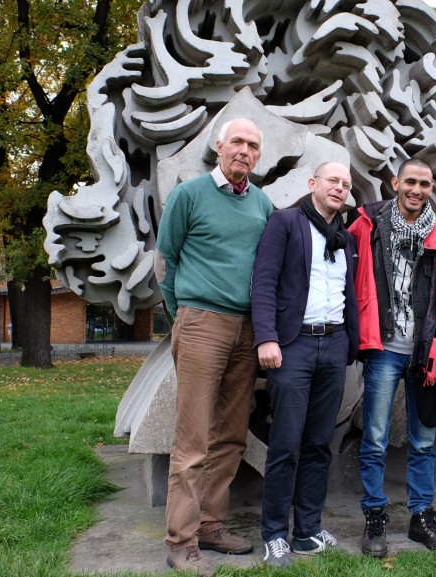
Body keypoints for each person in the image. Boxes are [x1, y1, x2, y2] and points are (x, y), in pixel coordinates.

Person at [156, 118, 274, 576]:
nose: (244, 150)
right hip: (202, 321)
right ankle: (180, 542)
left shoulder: (261, 202)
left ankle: (210, 525)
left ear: (258, 155)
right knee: (192, 440)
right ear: (219, 146)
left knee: (229, 436)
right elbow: (168, 259)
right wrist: (185, 313)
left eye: (253, 145)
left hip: (248, 329)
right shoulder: (189, 195)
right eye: (238, 142)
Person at [347, 158, 436, 557]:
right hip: (382, 349)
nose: (417, 189)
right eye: (410, 181)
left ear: (432, 189)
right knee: (376, 439)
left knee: (423, 440)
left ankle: (420, 516)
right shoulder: (366, 226)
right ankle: (375, 516)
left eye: (425, 184)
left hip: (426, 354)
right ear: (395, 182)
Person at [250, 161, 360, 567]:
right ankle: (275, 534)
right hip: (293, 345)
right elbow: (262, 281)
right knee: (286, 443)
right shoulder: (286, 223)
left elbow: (347, 290)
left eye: (346, 184)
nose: (339, 188)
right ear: (313, 183)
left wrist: (351, 341)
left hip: (334, 346)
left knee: (319, 443)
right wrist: (267, 336)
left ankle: (308, 530)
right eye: (333, 180)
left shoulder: (345, 238)